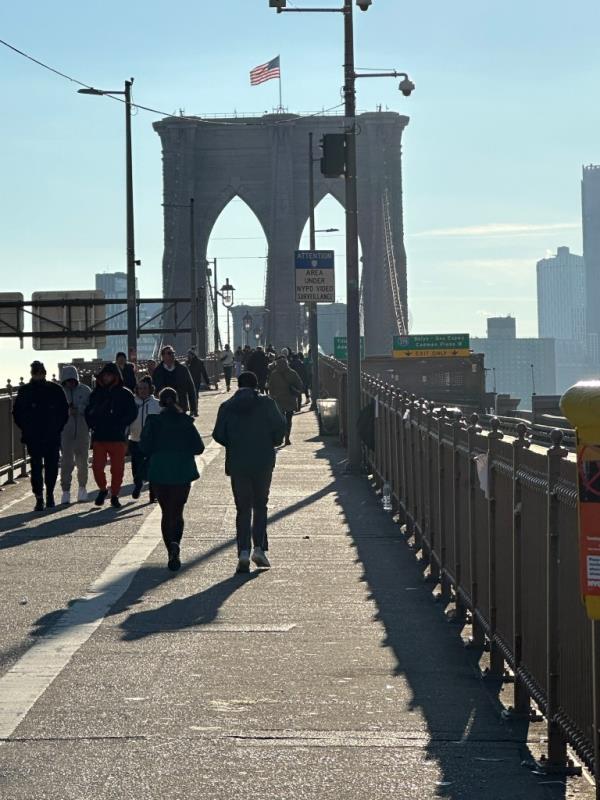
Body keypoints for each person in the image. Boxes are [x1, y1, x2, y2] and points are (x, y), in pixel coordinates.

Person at [212, 371, 286, 573]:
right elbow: (280, 425)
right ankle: (259, 548)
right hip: (263, 462)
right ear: (256, 385)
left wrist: (234, 444)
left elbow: (218, 434)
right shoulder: (267, 404)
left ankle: (243, 551)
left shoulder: (227, 406)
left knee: (243, 508)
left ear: (239, 385)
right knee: (260, 505)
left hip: (238, 463)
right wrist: (273, 441)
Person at [140, 387, 205, 571]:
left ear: (160, 402)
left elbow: (144, 447)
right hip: (182, 470)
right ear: (176, 400)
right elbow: (199, 447)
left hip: (160, 470)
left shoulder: (153, 421)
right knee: (177, 511)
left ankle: (170, 549)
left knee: (166, 512)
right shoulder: (185, 422)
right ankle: (176, 543)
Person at [13, 361, 69, 511]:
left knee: (48, 466)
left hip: (47, 434)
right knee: (38, 467)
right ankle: (40, 496)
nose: (38, 375)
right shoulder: (29, 391)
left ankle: (48, 494)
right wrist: (26, 428)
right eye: (36, 373)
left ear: (44, 373)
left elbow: (64, 412)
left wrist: (57, 427)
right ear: (33, 374)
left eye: (40, 373)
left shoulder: (53, 389)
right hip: (37, 435)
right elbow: (17, 413)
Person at [85, 362, 138, 508]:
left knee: (118, 469)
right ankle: (103, 489)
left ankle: (114, 495)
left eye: (109, 375)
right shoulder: (96, 393)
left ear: (115, 376)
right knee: (97, 467)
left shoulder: (125, 393)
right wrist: (92, 425)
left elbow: (133, 412)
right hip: (100, 436)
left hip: (117, 437)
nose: (106, 378)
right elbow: (88, 412)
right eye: (104, 375)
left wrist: (122, 424)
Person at [59, 365, 91, 505]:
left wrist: (80, 409)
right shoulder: (60, 392)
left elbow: (91, 407)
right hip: (66, 432)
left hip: (83, 430)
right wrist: (67, 411)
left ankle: (82, 488)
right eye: (68, 381)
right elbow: (56, 409)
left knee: (83, 462)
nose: (70, 383)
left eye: (72, 380)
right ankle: (65, 490)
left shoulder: (85, 390)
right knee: (66, 462)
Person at [128, 379, 161, 499]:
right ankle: (138, 484)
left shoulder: (157, 404)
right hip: (135, 440)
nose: (142, 391)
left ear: (150, 389)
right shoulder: (131, 404)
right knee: (136, 467)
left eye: (145, 388)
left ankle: (153, 493)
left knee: (153, 468)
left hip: (152, 442)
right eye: (140, 388)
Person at [267, 355, 304, 446]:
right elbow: (300, 385)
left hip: (278, 400)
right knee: (289, 419)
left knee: (280, 420)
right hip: (290, 400)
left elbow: (270, 387)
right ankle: (287, 437)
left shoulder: (274, 374)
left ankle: (281, 436)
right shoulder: (292, 373)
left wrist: (272, 396)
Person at [152, 345, 198, 415]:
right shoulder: (157, 371)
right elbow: (154, 389)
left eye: (173, 353)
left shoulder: (183, 369)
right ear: (163, 356)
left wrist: (193, 408)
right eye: (169, 353)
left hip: (181, 406)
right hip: (163, 408)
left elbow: (191, 388)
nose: (172, 355)